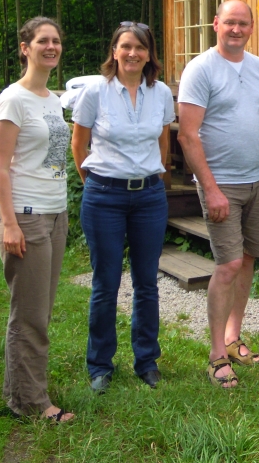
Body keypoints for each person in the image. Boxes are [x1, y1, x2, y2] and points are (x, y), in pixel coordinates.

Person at [177, 0, 259, 388]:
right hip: (220, 184)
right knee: (228, 265)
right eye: (230, 23)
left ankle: (233, 337)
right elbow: (188, 135)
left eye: (244, 24)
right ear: (216, 24)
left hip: (257, 181)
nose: (236, 30)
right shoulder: (200, 69)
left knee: (250, 258)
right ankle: (216, 356)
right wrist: (210, 189)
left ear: (252, 28)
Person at [71, 21, 175, 392]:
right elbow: (78, 146)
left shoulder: (161, 92)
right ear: (114, 51)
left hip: (148, 197)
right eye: (126, 46)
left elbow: (163, 145)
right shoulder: (94, 93)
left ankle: (146, 361)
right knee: (106, 282)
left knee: (147, 282)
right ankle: (100, 365)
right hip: (104, 197)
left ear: (150, 55)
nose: (133, 53)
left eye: (141, 48)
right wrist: (98, 186)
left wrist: (153, 180)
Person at [0, 17, 73, 422]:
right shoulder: (14, 99)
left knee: (37, 311)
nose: (51, 46)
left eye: (56, 40)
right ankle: (32, 403)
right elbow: (0, 166)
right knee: (29, 315)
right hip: (26, 216)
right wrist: (9, 224)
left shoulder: (51, 98)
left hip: (55, 214)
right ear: (25, 47)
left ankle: (22, 389)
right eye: (42, 40)